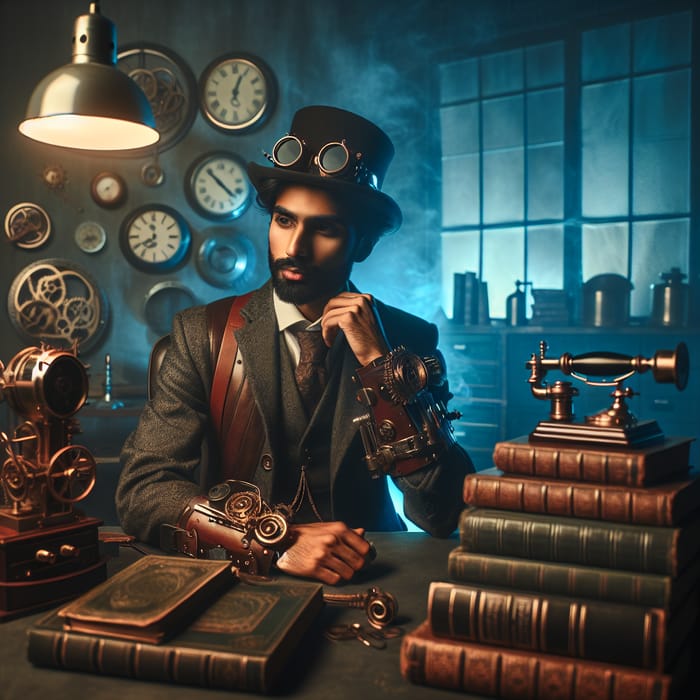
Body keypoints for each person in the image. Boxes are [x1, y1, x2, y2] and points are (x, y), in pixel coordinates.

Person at [116, 105, 474, 585]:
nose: (295, 247)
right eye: (284, 220)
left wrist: (380, 365)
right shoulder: (201, 334)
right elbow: (142, 490)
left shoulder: (409, 341)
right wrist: (272, 540)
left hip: (369, 572)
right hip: (238, 572)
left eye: (324, 228)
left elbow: (442, 511)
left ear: (361, 245)